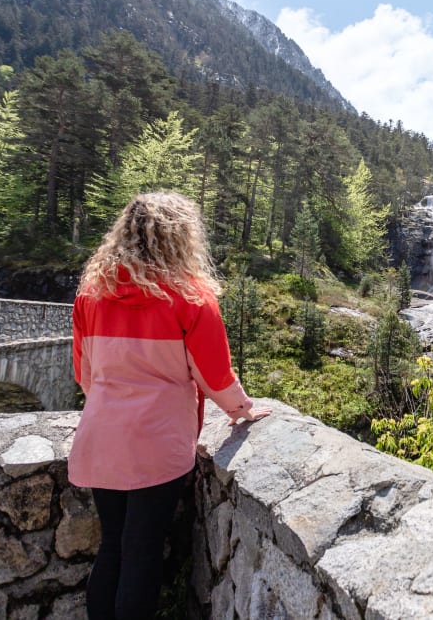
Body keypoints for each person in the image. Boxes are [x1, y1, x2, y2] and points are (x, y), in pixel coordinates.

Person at [69, 192, 271, 620]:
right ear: (182, 237)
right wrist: (241, 410)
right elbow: (215, 375)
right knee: (141, 552)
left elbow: (85, 376)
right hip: (157, 444)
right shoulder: (191, 298)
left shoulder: (91, 295)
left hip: (102, 438)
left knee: (113, 545)